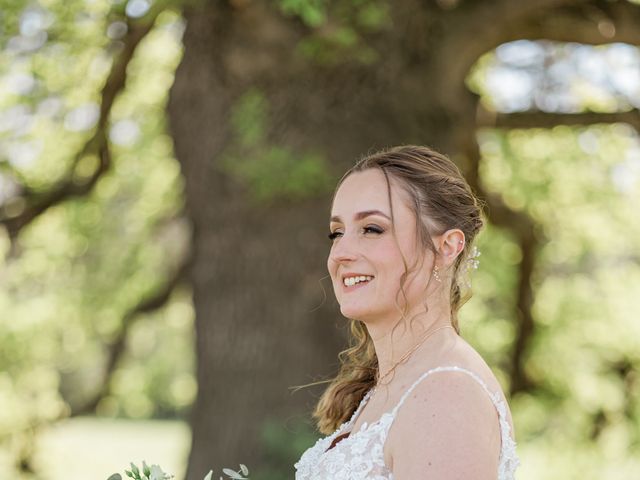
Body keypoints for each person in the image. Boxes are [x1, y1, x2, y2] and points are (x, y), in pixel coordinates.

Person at [294, 145, 521, 479]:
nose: (340, 252)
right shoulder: (395, 384)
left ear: (446, 247)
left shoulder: (447, 395)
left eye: (372, 229)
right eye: (336, 233)